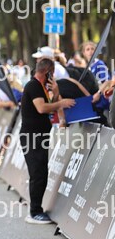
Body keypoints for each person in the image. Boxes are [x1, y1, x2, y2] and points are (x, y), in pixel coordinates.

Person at [20, 58, 75, 224]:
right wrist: (61, 102)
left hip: (40, 136)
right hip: (32, 137)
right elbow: (42, 108)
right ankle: (34, 212)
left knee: (42, 173)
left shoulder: (41, 87)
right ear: (47, 72)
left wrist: (56, 93)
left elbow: (50, 105)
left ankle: (37, 209)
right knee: (37, 174)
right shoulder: (33, 86)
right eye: (52, 73)